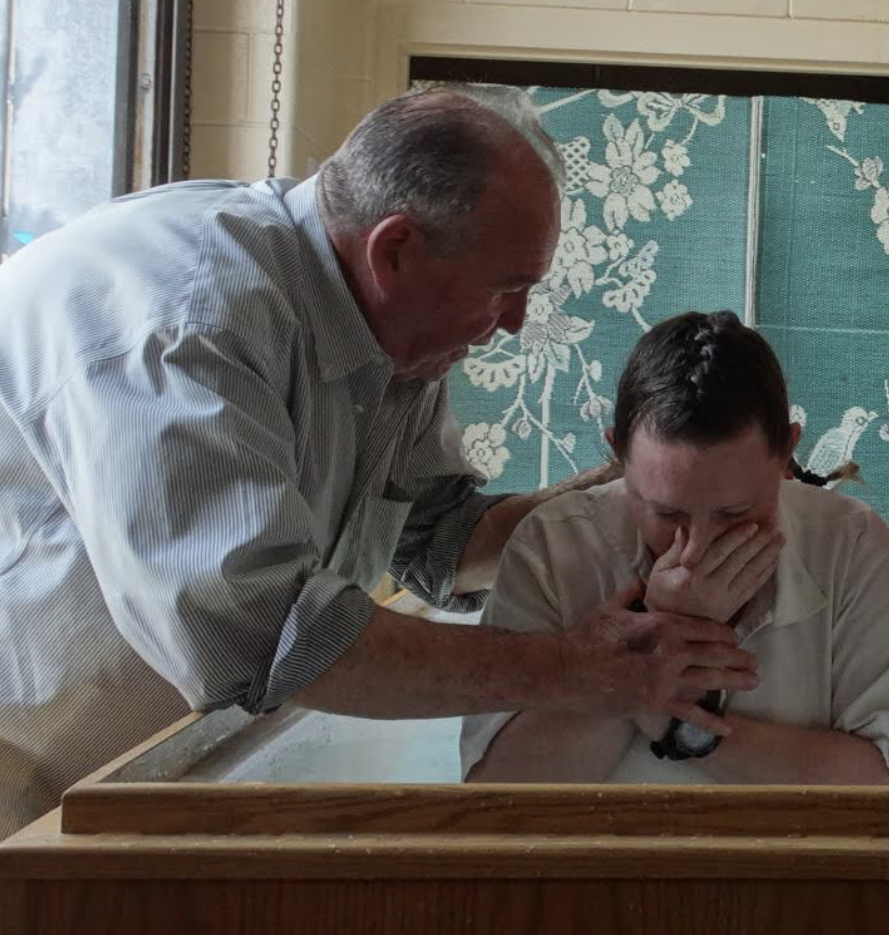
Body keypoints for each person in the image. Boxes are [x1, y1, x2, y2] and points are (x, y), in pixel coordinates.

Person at [0, 86, 756, 838]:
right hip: (22, 783)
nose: (516, 322)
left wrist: (640, 492)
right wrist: (577, 671)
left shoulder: (393, 336)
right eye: (506, 289)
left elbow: (441, 539)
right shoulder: (190, 321)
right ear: (396, 250)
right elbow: (263, 638)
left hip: (127, 782)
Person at [461, 310, 889, 785]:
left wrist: (682, 726)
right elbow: (496, 796)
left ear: (787, 455)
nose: (696, 549)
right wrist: (643, 656)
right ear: (618, 456)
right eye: (667, 514)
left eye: (735, 513)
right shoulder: (551, 546)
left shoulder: (851, 545)